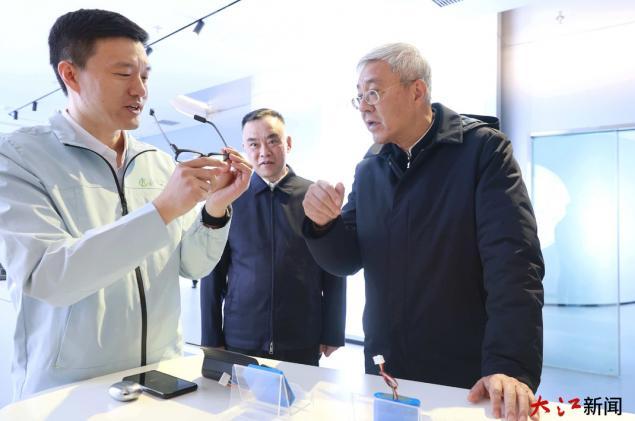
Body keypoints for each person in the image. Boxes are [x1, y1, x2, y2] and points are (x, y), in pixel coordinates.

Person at [0, 9, 252, 400]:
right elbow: (48, 277)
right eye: (123, 74)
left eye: (145, 76)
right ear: (71, 75)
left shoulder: (157, 162)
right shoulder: (18, 157)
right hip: (69, 392)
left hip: (161, 378)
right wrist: (162, 210)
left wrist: (215, 209)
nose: (140, 90)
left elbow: (192, 265)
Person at [302, 43, 544, 421]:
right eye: (359, 97)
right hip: (385, 369)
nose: (364, 107)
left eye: (373, 93)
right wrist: (323, 225)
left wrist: (509, 364)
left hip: (464, 374)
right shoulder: (370, 167)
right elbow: (347, 259)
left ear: (417, 91)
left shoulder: (482, 151)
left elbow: (514, 263)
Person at [200, 108, 346, 366]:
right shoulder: (230, 200)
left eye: (272, 141)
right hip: (241, 336)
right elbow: (212, 270)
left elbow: (334, 267)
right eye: (253, 144)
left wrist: (333, 331)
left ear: (288, 143)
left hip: (301, 337)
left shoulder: (314, 197)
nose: (263, 152)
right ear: (245, 149)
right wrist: (211, 336)